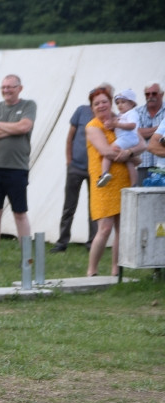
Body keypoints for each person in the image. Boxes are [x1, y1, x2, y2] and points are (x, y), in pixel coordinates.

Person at [86, 86, 146, 277]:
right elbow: (105, 151)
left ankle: (115, 270)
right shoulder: (93, 126)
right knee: (104, 227)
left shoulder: (123, 118)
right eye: (97, 103)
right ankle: (92, 270)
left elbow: (142, 145)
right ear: (92, 108)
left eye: (104, 101)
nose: (101, 105)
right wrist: (130, 156)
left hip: (123, 179)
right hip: (104, 180)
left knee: (121, 227)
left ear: (110, 102)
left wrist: (130, 153)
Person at [0, 74, 36, 267]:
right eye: (4, 87)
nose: (6, 90)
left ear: (20, 88)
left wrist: (0, 126)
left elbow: (25, 127)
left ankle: (27, 257)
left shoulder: (28, 105)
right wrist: (12, 128)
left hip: (17, 167)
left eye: (10, 87)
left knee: (20, 212)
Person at [50, 99, 99, 253]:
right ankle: (62, 242)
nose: (98, 104)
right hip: (76, 166)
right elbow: (70, 137)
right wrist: (69, 161)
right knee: (69, 206)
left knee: (95, 209)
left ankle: (93, 243)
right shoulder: (81, 111)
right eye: (95, 100)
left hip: (95, 169)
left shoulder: (108, 116)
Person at [98, 89, 140, 188]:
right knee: (129, 161)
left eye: (123, 102)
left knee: (108, 152)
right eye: (118, 103)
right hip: (127, 139)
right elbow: (116, 124)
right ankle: (134, 183)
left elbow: (132, 125)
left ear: (132, 103)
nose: (120, 105)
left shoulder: (132, 113)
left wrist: (117, 124)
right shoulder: (122, 115)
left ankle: (104, 173)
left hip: (127, 138)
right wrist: (112, 125)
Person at [136, 82, 164, 185]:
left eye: (154, 93)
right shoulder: (137, 112)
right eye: (147, 94)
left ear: (162, 94)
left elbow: (140, 132)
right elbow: (135, 133)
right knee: (142, 197)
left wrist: (145, 131)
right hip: (143, 164)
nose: (150, 96)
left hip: (162, 165)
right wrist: (159, 130)